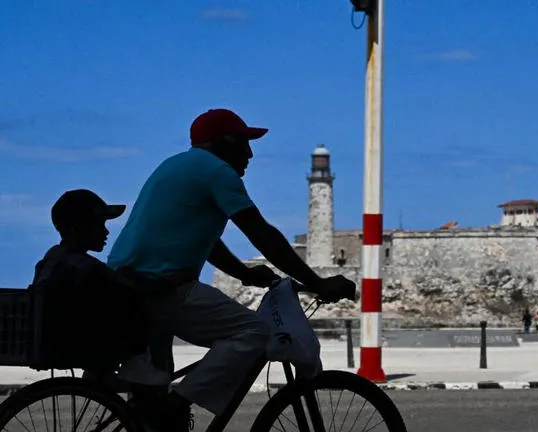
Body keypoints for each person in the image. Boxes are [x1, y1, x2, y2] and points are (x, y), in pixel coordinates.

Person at [107, 108, 356, 431]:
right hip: (160, 288)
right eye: (245, 143)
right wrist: (316, 282)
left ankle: (163, 410)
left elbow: (204, 240)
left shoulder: (176, 166)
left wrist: (245, 274)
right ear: (225, 141)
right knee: (254, 332)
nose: (250, 154)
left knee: (152, 400)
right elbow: (261, 233)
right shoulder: (217, 172)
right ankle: (177, 404)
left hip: (129, 286)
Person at [31, 189, 146, 372]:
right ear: (77, 230)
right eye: (100, 224)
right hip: (82, 343)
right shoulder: (84, 267)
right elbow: (126, 290)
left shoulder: (52, 259)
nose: (106, 231)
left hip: (59, 338)